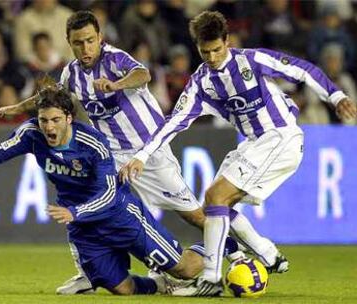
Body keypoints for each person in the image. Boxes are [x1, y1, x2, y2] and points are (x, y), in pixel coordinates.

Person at [0, 10, 287, 294]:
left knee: (194, 215)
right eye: (78, 42)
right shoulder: (72, 73)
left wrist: (116, 84)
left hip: (148, 153)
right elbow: (50, 96)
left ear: (100, 37)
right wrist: (15, 109)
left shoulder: (116, 58)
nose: (85, 47)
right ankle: (88, 273)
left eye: (90, 40)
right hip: (111, 156)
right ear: (69, 43)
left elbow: (142, 74)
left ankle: (234, 249)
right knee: (84, 199)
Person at [120, 10, 357, 296]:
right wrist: (143, 156)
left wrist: (336, 95)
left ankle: (210, 277)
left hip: (280, 136)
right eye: (205, 52)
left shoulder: (252, 60)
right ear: (198, 48)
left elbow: (303, 70)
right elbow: (173, 122)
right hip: (254, 142)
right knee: (215, 206)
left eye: (217, 50)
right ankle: (268, 255)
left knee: (216, 197)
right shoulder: (201, 84)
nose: (212, 57)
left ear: (227, 42)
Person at [0, 87, 226, 296]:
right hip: (84, 226)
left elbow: (109, 195)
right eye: (43, 120)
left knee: (186, 270)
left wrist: (74, 211)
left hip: (121, 215)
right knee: (122, 289)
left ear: (68, 118)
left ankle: (220, 244)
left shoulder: (93, 144)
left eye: (55, 120)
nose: (49, 127)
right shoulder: (32, 133)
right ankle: (157, 284)